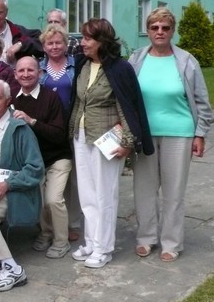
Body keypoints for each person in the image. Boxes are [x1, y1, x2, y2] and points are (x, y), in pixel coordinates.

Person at [129, 8, 212, 262]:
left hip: (179, 134)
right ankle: (146, 238)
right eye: (154, 27)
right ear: (148, 31)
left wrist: (200, 134)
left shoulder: (186, 61)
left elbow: (202, 101)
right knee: (144, 189)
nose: (160, 32)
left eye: (165, 27)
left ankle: (171, 242)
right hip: (144, 135)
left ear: (172, 30)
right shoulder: (136, 59)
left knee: (174, 192)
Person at [69, 18, 153, 269]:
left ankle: (104, 249)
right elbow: (78, 101)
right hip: (82, 136)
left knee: (105, 194)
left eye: (88, 38)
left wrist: (128, 141)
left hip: (106, 140)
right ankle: (91, 242)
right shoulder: (83, 64)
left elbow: (127, 106)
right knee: (87, 195)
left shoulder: (119, 69)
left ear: (102, 41)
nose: (82, 42)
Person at [0, 80, 43, 292]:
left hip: (13, 190)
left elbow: (35, 168)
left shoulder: (19, 128)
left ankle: (12, 268)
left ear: (8, 101)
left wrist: (7, 184)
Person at [11, 56, 71, 259]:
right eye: (21, 70)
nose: (26, 74)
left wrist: (32, 121)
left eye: (31, 70)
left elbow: (59, 134)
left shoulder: (51, 97)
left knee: (53, 200)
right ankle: (46, 233)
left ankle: (61, 241)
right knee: (39, 199)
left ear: (40, 73)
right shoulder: (13, 98)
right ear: (15, 74)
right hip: (33, 161)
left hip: (57, 156)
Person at [39, 22, 81, 242]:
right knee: (51, 179)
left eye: (58, 43)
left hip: (72, 127)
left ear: (66, 44)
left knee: (73, 179)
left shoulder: (76, 66)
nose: (54, 47)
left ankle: (72, 223)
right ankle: (48, 225)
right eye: (50, 43)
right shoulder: (39, 68)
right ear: (44, 46)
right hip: (48, 129)